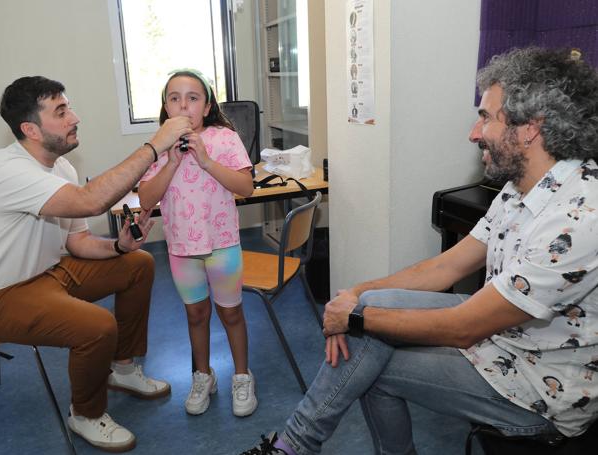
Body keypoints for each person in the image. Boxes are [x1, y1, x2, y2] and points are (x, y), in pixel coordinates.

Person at [240, 46, 598, 455]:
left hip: (541, 386)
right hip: (505, 340)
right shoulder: (523, 188)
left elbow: (465, 327)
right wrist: (355, 295)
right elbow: (446, 267)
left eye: (484, 116)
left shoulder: (580, 214)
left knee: (368, 364)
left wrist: (355, 320)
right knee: (370, 311)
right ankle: (295, 446)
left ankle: (294, 446)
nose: (473, 132)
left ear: (530, 128)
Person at [0, 76, 193, 452]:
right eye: (61, 112)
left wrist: (119, 244)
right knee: (96, 326)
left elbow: (77, 241)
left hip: (46, 274)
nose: (74, 117)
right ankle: (86, 414)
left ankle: (123, 368)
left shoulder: (61, 167)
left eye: (69, 107)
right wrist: (156, 144)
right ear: (30, 129)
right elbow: (89, 202)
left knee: (138, 263)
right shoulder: (6, 168)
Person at [138, 69, 257, 417]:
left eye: (193, 98)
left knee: (231, 313)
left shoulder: (223, 138)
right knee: (196, 314)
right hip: (181, 250)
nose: (183, 105)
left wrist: (205, 160)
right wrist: (172, 161)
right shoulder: (158, 146)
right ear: (165, 107)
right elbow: (146, 197)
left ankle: (241, 375)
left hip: (222, 244)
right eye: (174, 98)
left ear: (206, 107)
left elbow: (246, 187)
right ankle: (203, 375)